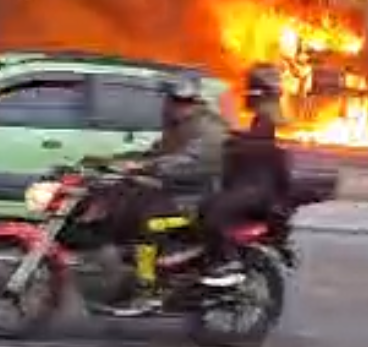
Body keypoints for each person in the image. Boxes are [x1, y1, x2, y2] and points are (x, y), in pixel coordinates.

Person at [107, 74, 230, 307]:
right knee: (124, 205)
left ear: (191, 102)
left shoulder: (209, 128)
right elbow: (159, 152)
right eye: (169, 100)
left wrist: (148, 166)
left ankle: (147, 286)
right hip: (176, 193)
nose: (169, 106)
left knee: (147, 223)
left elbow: (189, 161)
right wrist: (119, 161)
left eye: (176, 101)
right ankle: (131, 271)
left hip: (196, 202)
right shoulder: (178, 125)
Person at [197, 64, 292, 287]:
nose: (246, 96)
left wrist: (230, 129)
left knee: (212, 211)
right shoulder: (263, 118)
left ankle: (227, 261)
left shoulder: (268, 119)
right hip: (254, 184)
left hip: (257, 189)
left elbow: (255, 147)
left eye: (251, 91)